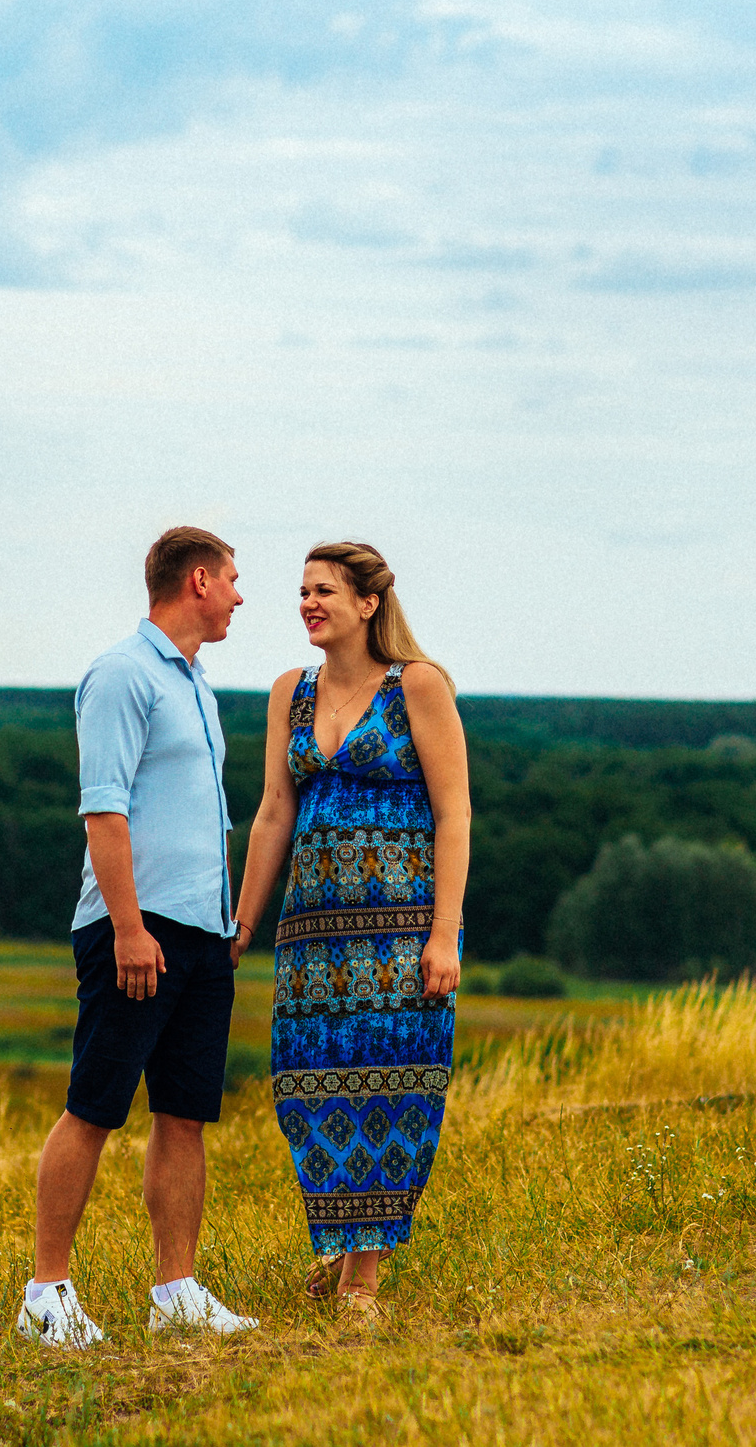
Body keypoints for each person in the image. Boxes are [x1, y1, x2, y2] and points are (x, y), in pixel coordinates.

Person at [18, 526, 261, 1346]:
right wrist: (127, 927)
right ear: (197, 581)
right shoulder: (122, 674)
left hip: (201, 933)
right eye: (232, 579)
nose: (238, 594)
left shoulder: (196, 682)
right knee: (94, 1105)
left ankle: (177, 1290)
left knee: (185, 1113)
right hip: (135, 929)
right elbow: (104, 806)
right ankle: (46, 1295)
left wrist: (224, 921)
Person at [232, 540, 470, 1316]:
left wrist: (444, 933)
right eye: (303, 590)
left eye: (324, 590)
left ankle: (361, 1277)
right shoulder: (288, 693)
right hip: (312, 939)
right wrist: (242, 921)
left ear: (368, 603)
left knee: (390, 1089)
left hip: (402, 933)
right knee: (306, 1086)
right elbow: (274, 810)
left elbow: (454, 813)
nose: (308, 602)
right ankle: (335, 1239)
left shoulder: (419, 686)